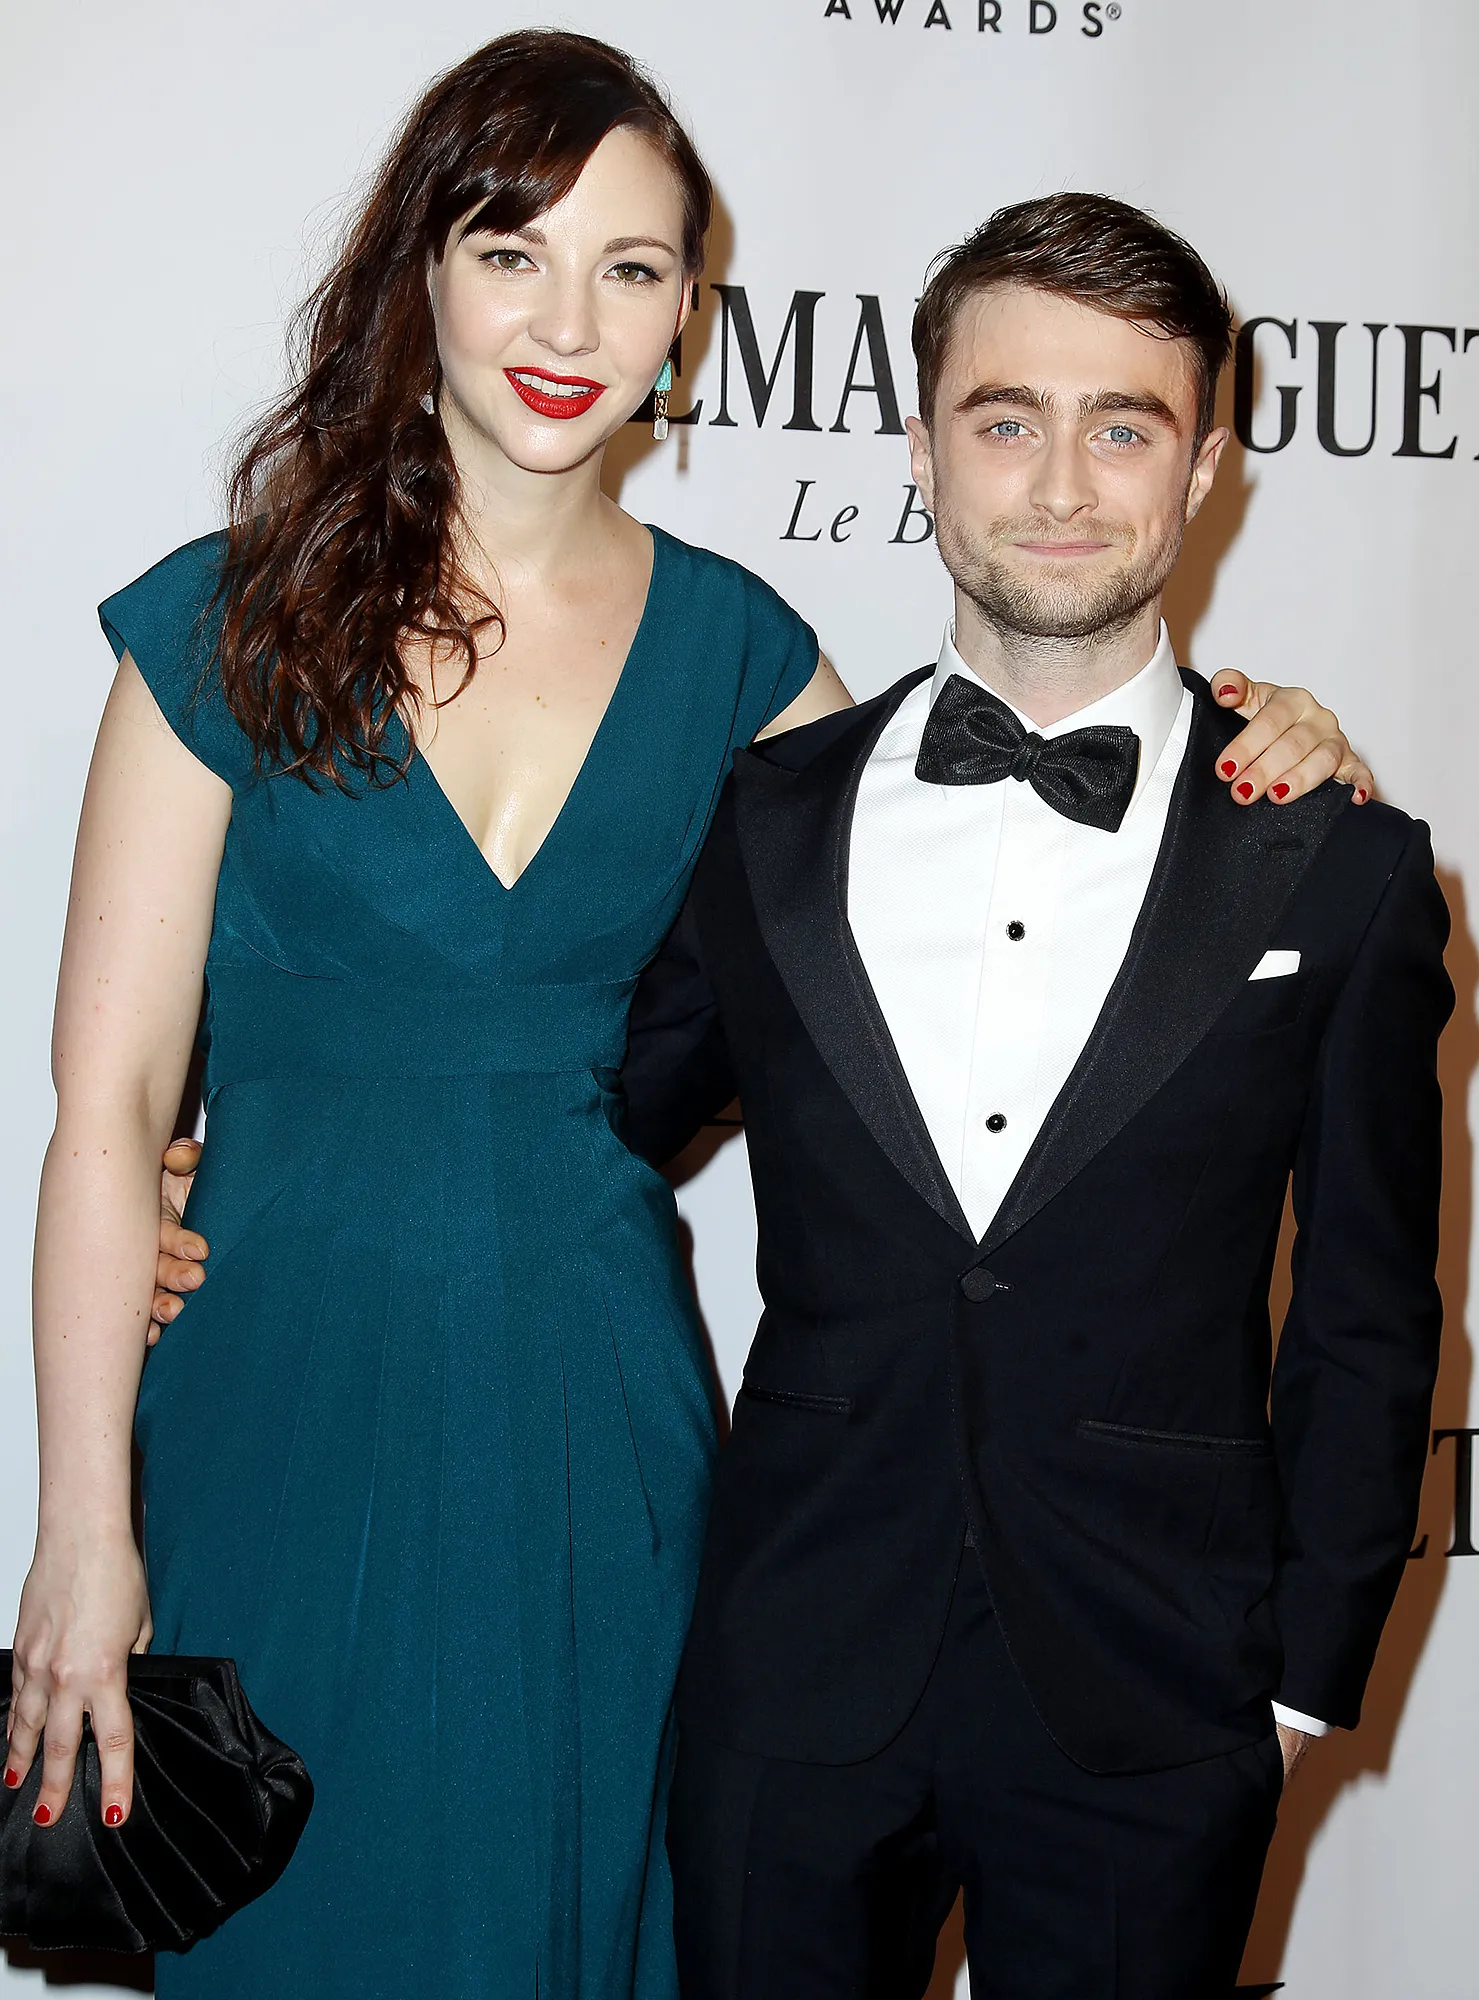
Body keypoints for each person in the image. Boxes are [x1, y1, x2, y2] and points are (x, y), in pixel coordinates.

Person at [20, 26, 1360, 1995]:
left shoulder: (743, 657)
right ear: (418, 271)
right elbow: (106, 1111)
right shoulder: (223, 624)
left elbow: (993, 837)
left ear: (686, 322)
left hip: (597, 1427)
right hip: (277, 1391)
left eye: (632, 268)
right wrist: (80, 1524)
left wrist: (1257, 734)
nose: (570, 321)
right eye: (512, 252)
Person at [607, 196, 1448, 1998]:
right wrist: (244, 1168)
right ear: (920, 450)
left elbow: (1370, 1312)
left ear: (1204, 468)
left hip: (1160, 1696)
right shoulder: (763, 819)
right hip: (791, 1671)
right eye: (1005, 420)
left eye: (1121, 428)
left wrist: (1298, 1688)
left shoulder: (1339, 864)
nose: (1060, 484)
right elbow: (580, 1121)